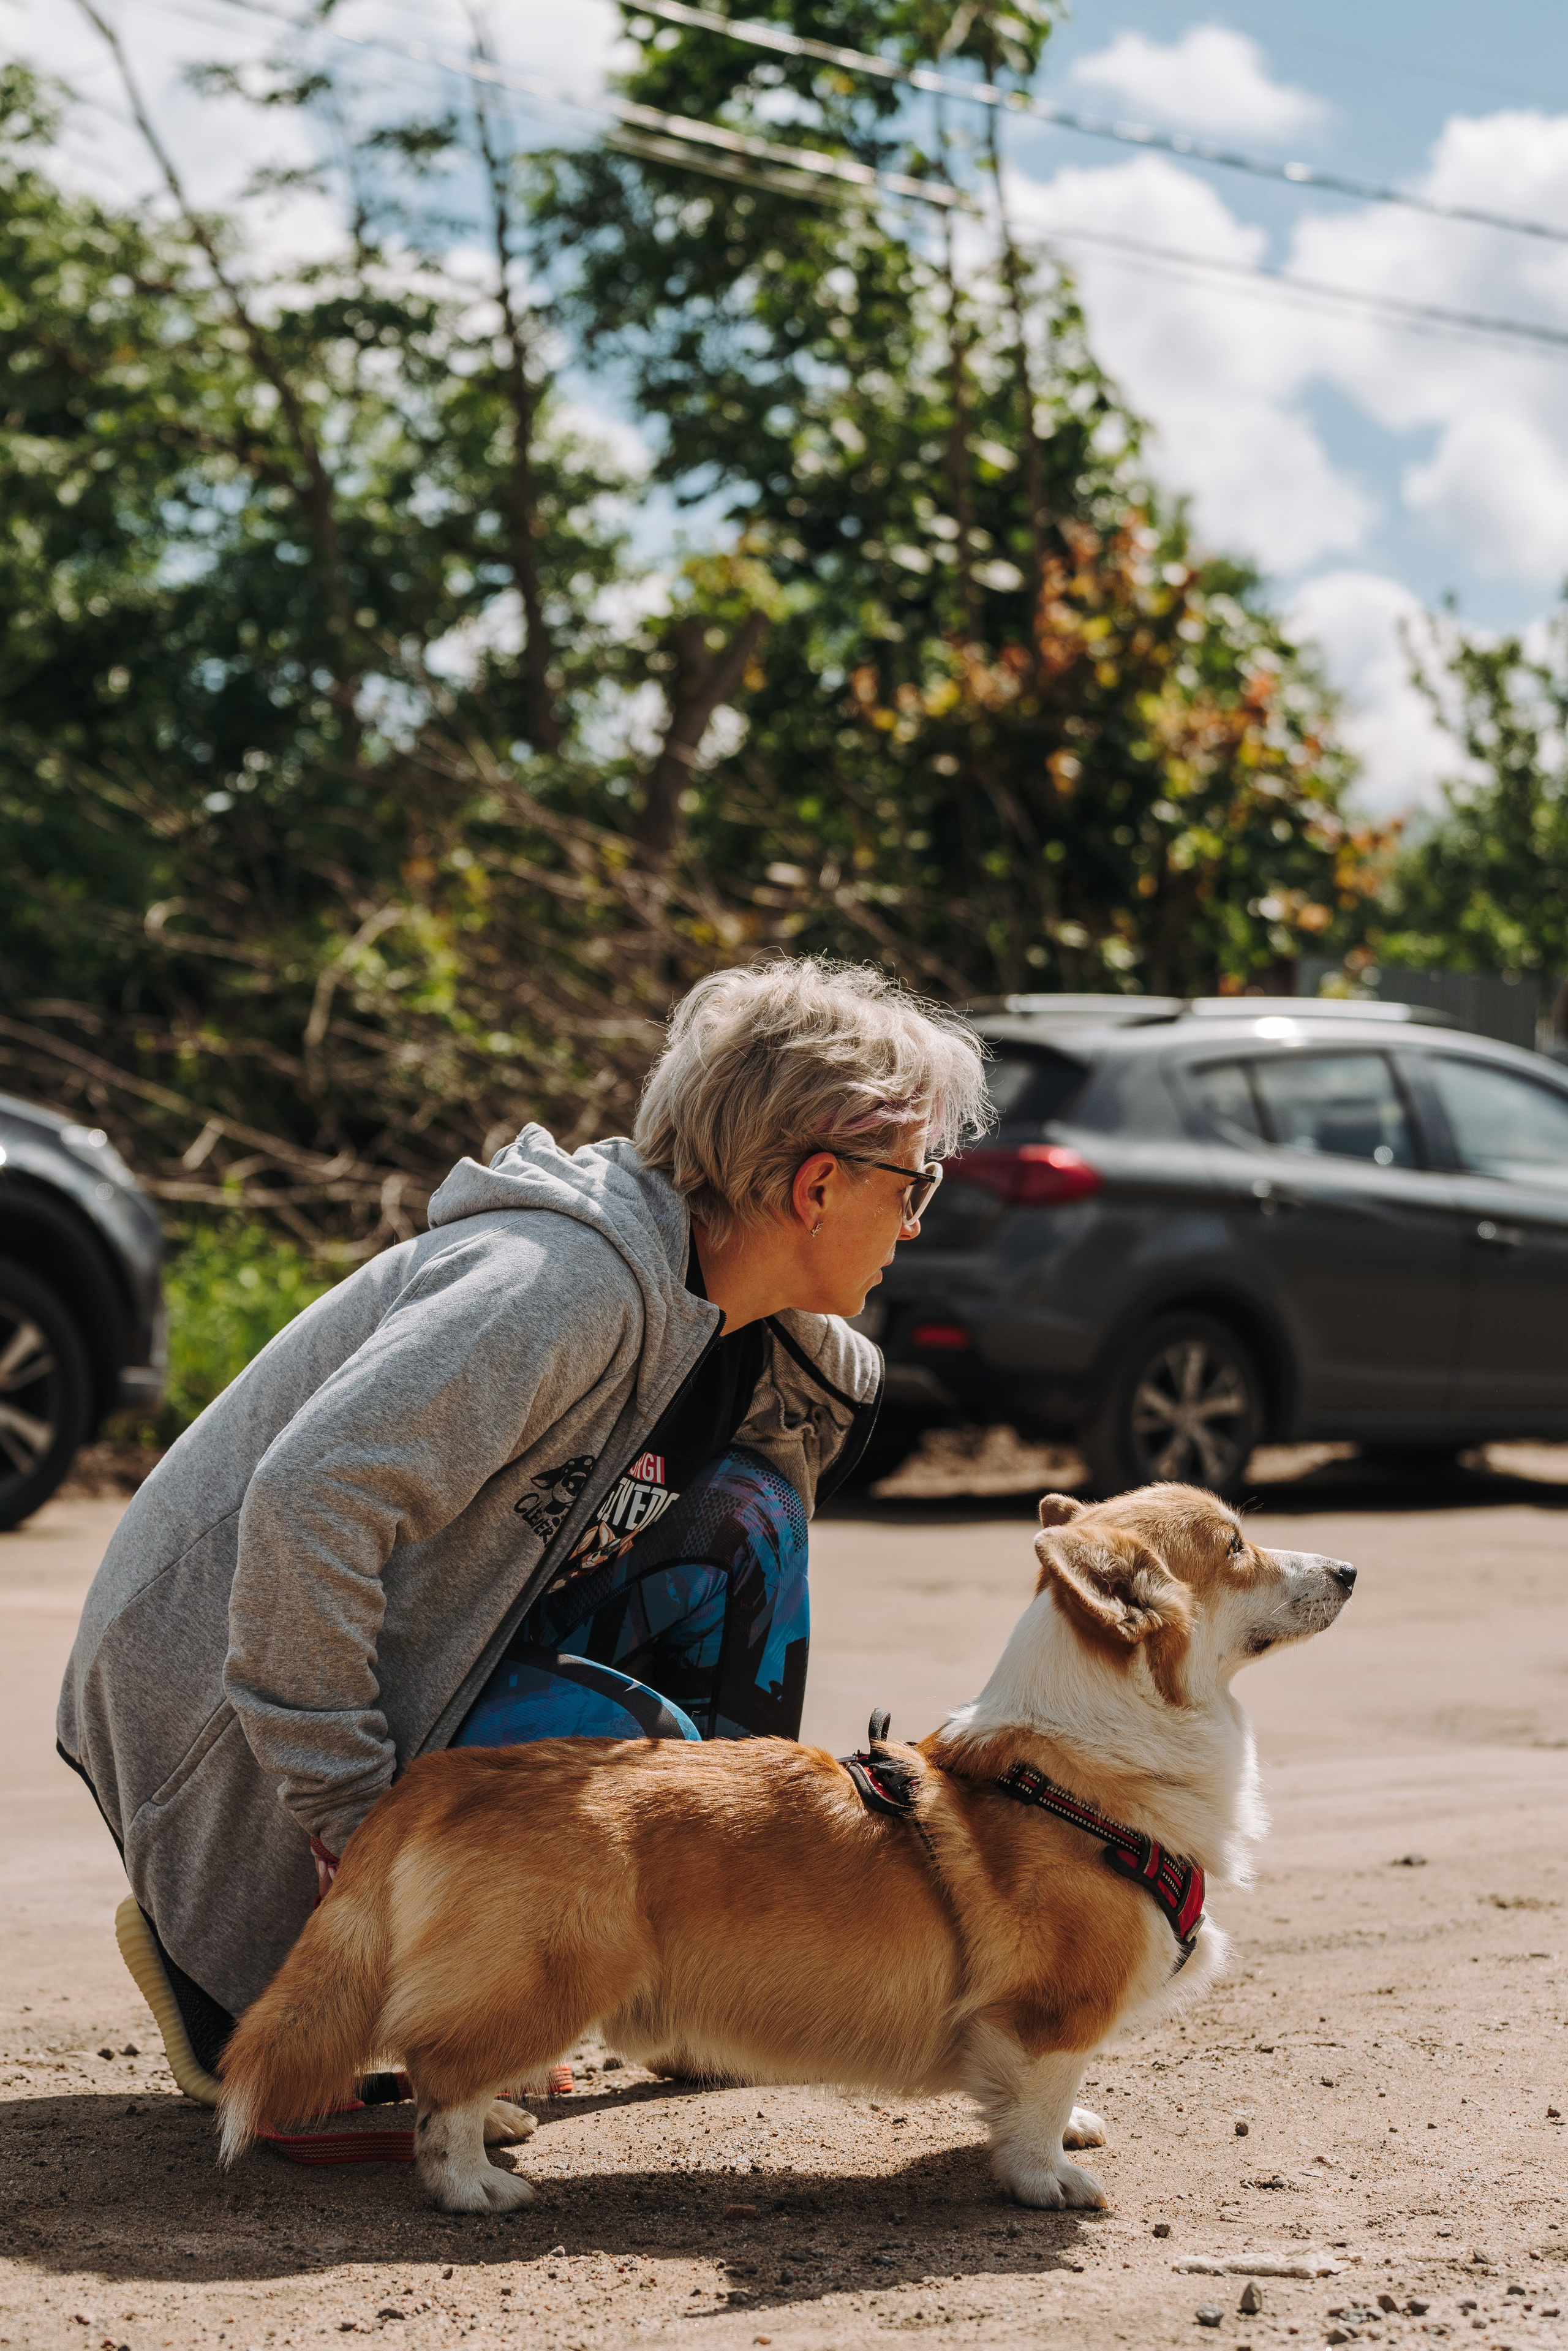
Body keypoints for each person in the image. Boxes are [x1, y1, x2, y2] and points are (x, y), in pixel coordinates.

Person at [58, 956, 986, 2081]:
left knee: (750, 1519)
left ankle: (686, 1969)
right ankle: (231, 1961)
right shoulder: (560, 1281)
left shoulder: (762, 1336)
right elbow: (311, 1503)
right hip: (211, 1705)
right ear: (819, 1184)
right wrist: (355, 1824)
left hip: (426, 1650)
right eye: (916, 1183)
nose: (919, 1220)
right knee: (641, 1770)